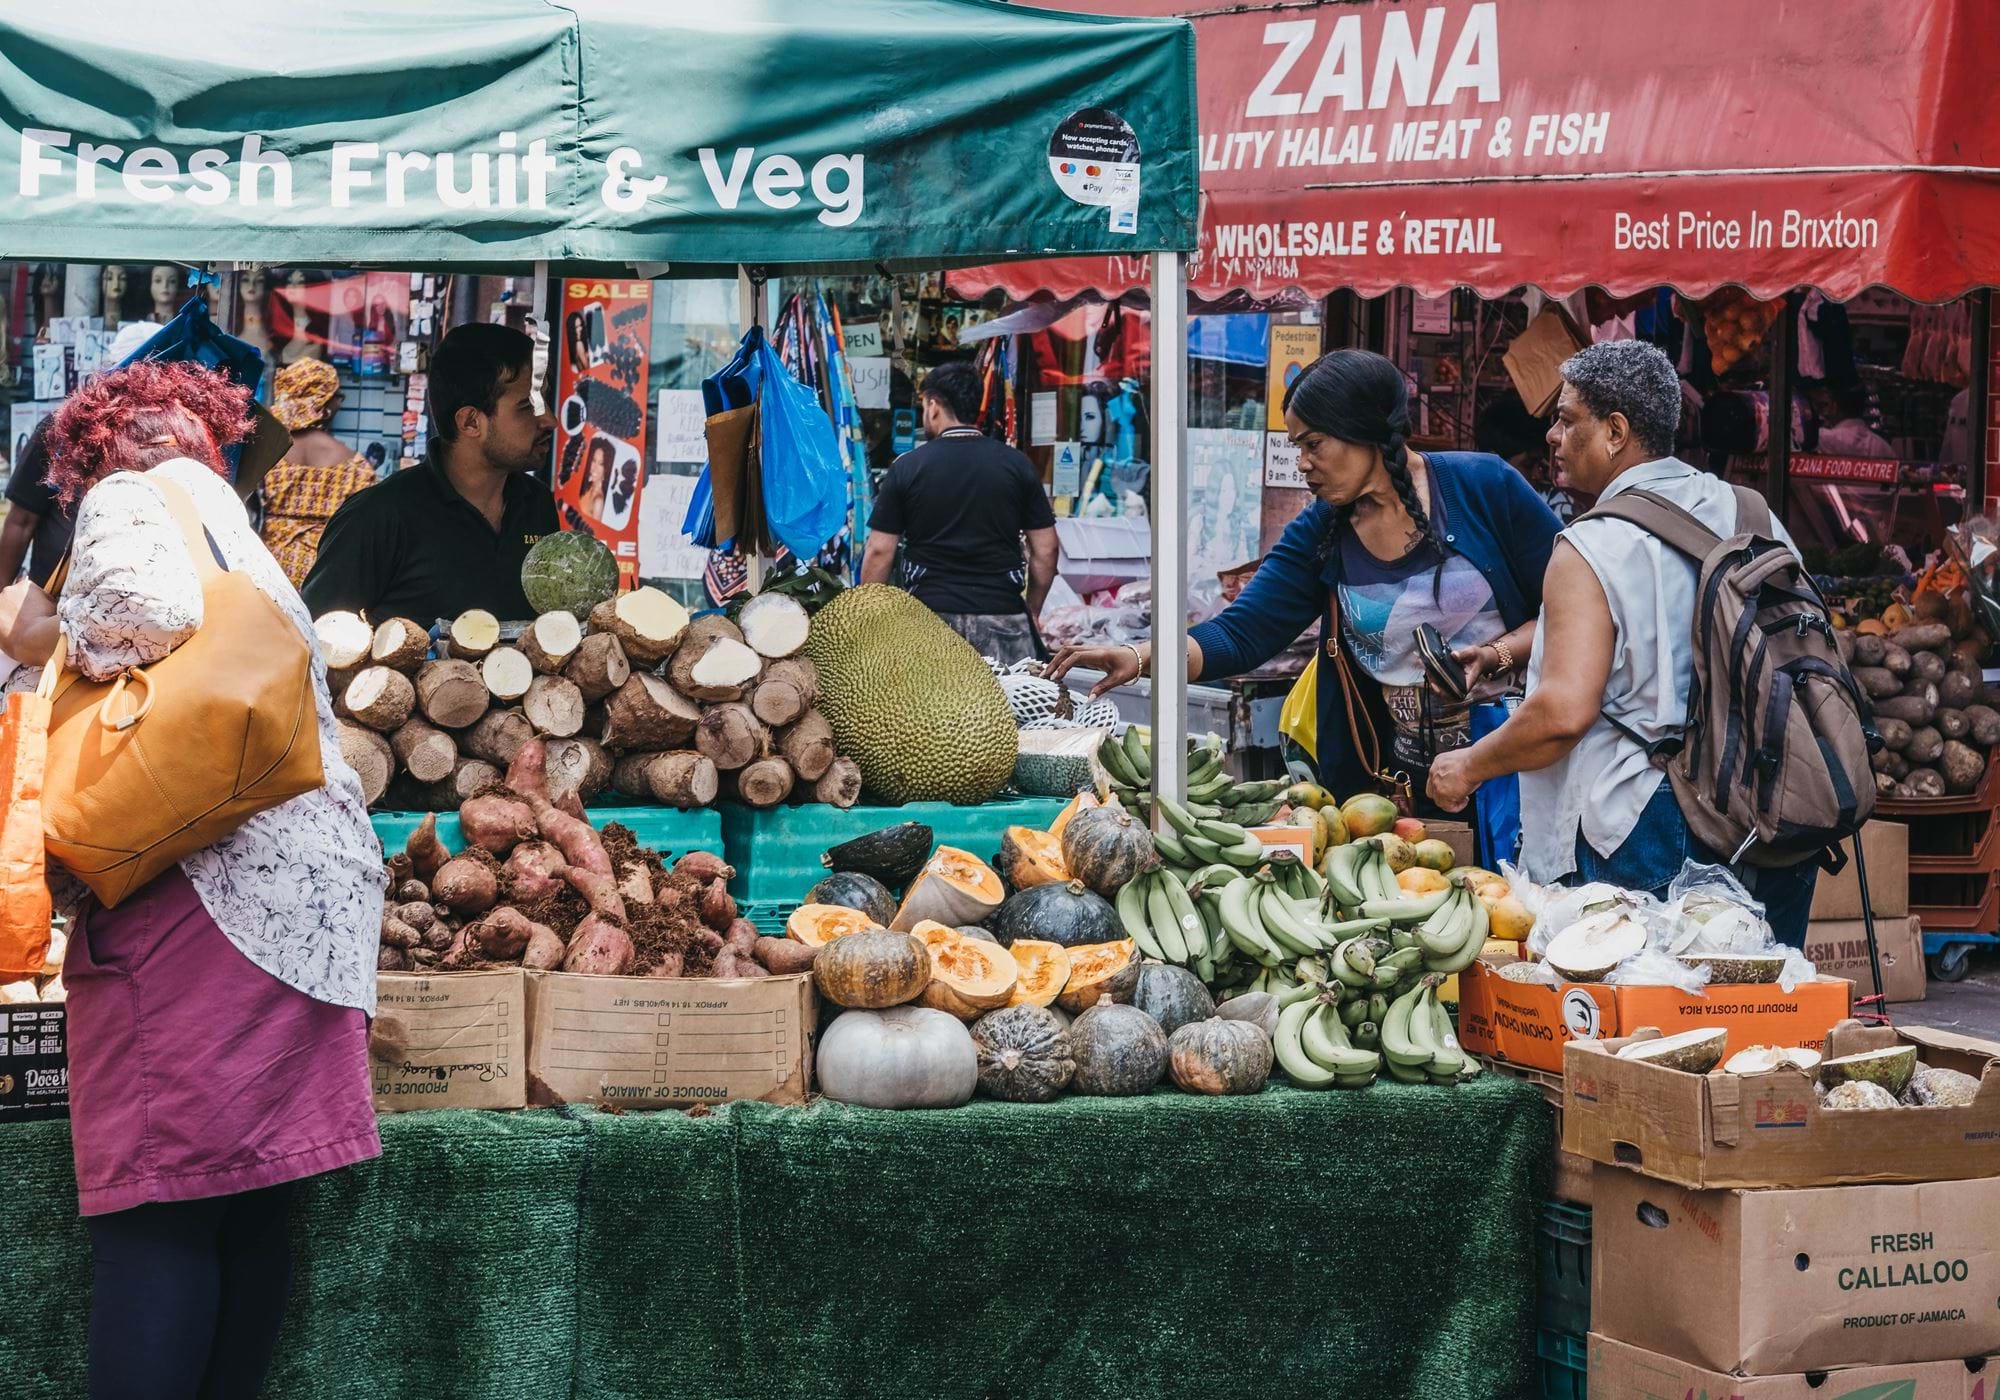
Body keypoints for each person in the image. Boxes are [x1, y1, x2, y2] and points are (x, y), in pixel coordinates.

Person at [0, 359, 381, 1400]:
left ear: (88, 453)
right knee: (246, 1203)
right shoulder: (231, 525)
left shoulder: (132, 496)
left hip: (208, 904)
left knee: (157, 1210)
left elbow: (141, 612)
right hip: (310, 913)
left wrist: (37, 632)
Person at [1426, 340, 1818, 944]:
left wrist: (1469, 766)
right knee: (1755, 1010)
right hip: (1766, 807)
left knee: (1639, 1029)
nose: (1553, 436)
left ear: (1614, 431)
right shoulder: (1750, 513)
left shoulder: (1592, 544)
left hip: (1644, 824)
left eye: (1566, 418)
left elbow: (1562, 713)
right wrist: (1508, 652)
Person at [1050, 349, 1562, 808]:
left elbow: (1577, 616)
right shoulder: (1323, 529)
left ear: (1365, 429)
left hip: (1514, 776)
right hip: (1399, 790)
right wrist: (1140, 656)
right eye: (1297, 446)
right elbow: (1239, 634)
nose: (1302, 464)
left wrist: (1496, 655)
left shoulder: (1486, 487)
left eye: (1314, 444)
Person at [302, 322, 556, 622]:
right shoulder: (378, 516)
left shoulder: (537, 504)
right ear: (471, 422)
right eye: (527, 406)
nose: (549, 420)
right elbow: (316, 639)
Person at [859, 361, 1058, 666]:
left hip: (929, 621)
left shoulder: (908, 467)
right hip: (1004, 617)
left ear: (934, 406)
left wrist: (870, 622)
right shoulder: (1016, 465)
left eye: (925, 404)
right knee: (1014, 711)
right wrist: (1032, 609)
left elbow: (878, 551)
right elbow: (1046, 550)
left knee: (928, 712)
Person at [1, 322, 161, 586]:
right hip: (51, 599)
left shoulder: (170, 440)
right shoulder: (63, 429)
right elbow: (21, 520)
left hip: (130, 602)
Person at [258, 358, 378, 588]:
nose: (340, 400)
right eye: (336, 394)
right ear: (321, 400)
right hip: (325, 570)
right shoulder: (355, 466)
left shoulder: (264, 452)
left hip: (269, 566)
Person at [1809, 381, 1895, 458]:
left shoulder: (1822, 438)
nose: (1820, 412)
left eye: (1824, 405)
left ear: (1835, 407)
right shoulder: (1883, 446)